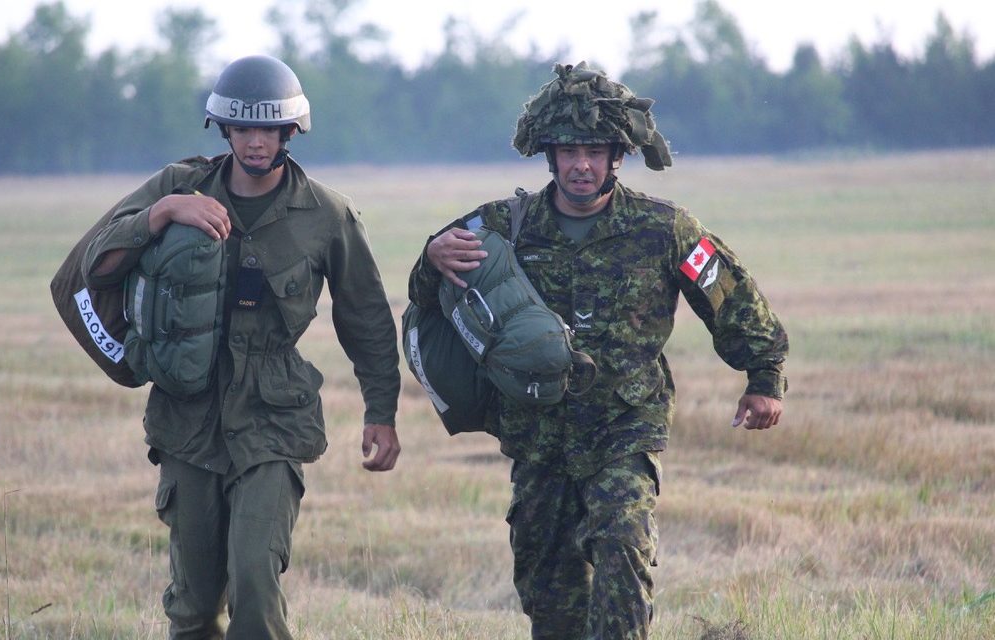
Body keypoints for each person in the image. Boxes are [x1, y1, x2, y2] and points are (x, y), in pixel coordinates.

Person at [407, 62, 788, 640]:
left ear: (618, 155)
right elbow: (425, 291)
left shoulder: (665, 229)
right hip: (537, 432)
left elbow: (731, 297)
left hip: (625, 425)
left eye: (594, 150)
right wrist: (430, 258)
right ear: (548, 155)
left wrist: (764, 375)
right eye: (567, 150)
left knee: (622, 548)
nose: (580, 164)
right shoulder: (504, 226)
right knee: (546, 583)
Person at [82, 55, 401, 639]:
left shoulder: (326, 215)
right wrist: (162, 213)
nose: (256, 142)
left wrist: (381, 413)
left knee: (255, 578)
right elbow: (95, 263)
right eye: (244, 128)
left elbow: (369, 322)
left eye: (269, 129)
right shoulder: (179, 186)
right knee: (194, 604)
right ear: (224, 130)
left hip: (273, 417)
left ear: (290, 132)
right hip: (189, 412)